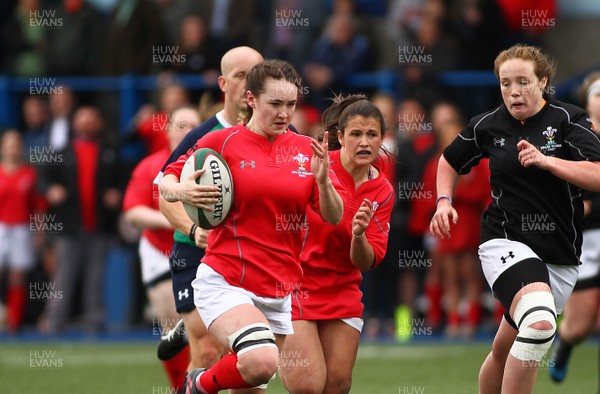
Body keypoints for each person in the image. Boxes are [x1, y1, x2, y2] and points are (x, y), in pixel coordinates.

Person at [160, 58, 343, 393]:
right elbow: (165, 182)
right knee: (261, 360)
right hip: (225, 279)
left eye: (290, 104)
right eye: (275, 104)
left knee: (252, 379)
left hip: (278, 288)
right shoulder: (221, 143)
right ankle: (197, 384)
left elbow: (334, 216)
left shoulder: (306, 150)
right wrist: (181, 190)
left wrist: (325, 182)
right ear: (251, 100)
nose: (284, 113)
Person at [429, 44, 600, 393]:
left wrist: (548, 161)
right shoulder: (488, 124)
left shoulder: (568, 120)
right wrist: (444, 200)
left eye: (523, 82)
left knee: (506, 348)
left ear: (544, 82)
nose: (514, 92)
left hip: (560, 257)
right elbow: (449, 161)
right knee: (538, 323)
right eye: (505, 83)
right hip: (504, 243)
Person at [154, 46, 264, 375]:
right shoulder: (201, 137)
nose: (248, 84)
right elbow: (163, 193)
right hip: (195, 253)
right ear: (223, 83)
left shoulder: (278, 135)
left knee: (248, 353)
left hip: (250, 256)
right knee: (207, 351)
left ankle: (193, 326)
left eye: (255, 76)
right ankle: (195, 327)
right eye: (240, 76)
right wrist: (193, 229)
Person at [278, 94, 394, 393]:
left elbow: (365, 262)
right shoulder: (314, 167)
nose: (364, 142)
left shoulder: (383, 190)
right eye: (356, 134)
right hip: (295, 286)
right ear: (340, 137)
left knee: (337, 385)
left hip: (342, 289)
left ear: (382, 138)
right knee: (307, 386)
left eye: (372, 134)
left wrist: (358, 235)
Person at [123, 107, 201, 391]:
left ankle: (197, 382)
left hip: (202, 251)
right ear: (167, 131)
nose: (187, 131)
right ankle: (179, 386)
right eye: (180, 126)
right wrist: (174, 221)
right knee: (175, 328)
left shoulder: (209, 164)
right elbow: (132, 212)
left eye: (193, 125)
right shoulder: (150, 166)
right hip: (160, 252)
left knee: (204, 332)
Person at [38, 106, 122, 334]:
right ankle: (55, 321)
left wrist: (116, 193)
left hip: (99, 225)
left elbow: (122, 180)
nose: (87, 122)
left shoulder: (109, 151)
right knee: (63, 276)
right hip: (69, 226)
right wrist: (51, 190)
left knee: (95, 279)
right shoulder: (62, 152)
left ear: (99, 122)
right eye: (83, 118)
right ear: (74, 123)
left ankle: (95, 322)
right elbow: (43, 179)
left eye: (92, 117)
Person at [549, 71, 600, 383]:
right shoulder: (578, 139)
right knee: (581, 326)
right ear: (587, 103)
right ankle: (565, 342)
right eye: (598, 94)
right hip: (588, 240)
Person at [0, 130, 45, 332]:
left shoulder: (29, 173)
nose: (12, 148)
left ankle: (13, 322)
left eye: (16, 144)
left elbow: (37, 205)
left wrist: (40, 231)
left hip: (21, 228)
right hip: (1, 227)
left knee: (17, 276)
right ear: (3, 147)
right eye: (9, 144)